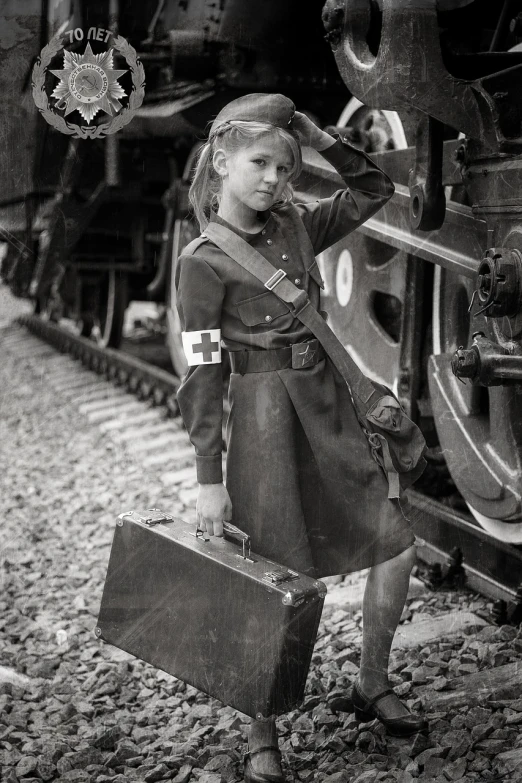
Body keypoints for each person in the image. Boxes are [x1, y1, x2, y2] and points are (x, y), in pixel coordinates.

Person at [174, 93, 428, 783]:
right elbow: (201, 375)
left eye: (285, 169)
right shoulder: (201, 260)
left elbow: (375, 186)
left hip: (329, 406)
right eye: (259, 163)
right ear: (221, 160)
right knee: (272, 580)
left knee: (396, 543)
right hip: (263, 420)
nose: (272, 180)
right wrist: (208, 477)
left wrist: (320, 138)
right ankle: (261, 728)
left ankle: (369, 681)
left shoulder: (296, 225)